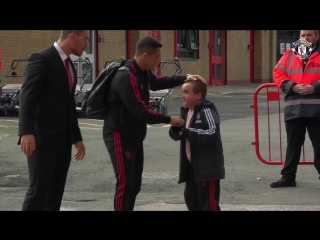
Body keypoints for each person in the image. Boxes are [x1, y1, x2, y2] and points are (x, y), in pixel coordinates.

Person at [103, 36, 206, 211]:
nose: (158, 61)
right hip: (119, 134)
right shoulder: (126, 77)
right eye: (156, 57)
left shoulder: (143, 72)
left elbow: (158, 82)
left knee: (135, 185)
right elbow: (141, 111)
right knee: (125, 185)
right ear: (145, 55)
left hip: (134, 134)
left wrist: (185, 77)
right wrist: (169, 119)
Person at [18, 30, 87, 210]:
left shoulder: (69, 65)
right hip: (41, 140)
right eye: (85, 39)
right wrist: (26, 132)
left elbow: (68, 104)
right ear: (72, 36)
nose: (87, 44)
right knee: (38, 193)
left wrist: (76, 138)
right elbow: (27, 96)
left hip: (62, 142)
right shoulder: (41, 58)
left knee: (55, 195)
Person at [270, 30, 320, 188]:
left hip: (317, 109)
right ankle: (288, 177)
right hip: (295, 106)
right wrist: (293, 87)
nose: (306, 38)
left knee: (319, 145)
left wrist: (315, 87)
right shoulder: (290, 53)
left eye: (309, 35)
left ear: (317, 36)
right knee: (293, 144)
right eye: (303, 35)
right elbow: (278, 72)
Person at [168, 78, 225, 211]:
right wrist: (175, 130)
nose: (182, 95)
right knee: (191, 201)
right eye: (182, 92)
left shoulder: (207, 110)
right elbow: (179, 135)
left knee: (208, 205)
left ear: (198, 95)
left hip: (207, 169)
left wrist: (188, 132)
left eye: (186, 92)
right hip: (191, 168)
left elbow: (213, 133)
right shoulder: (186, 111)